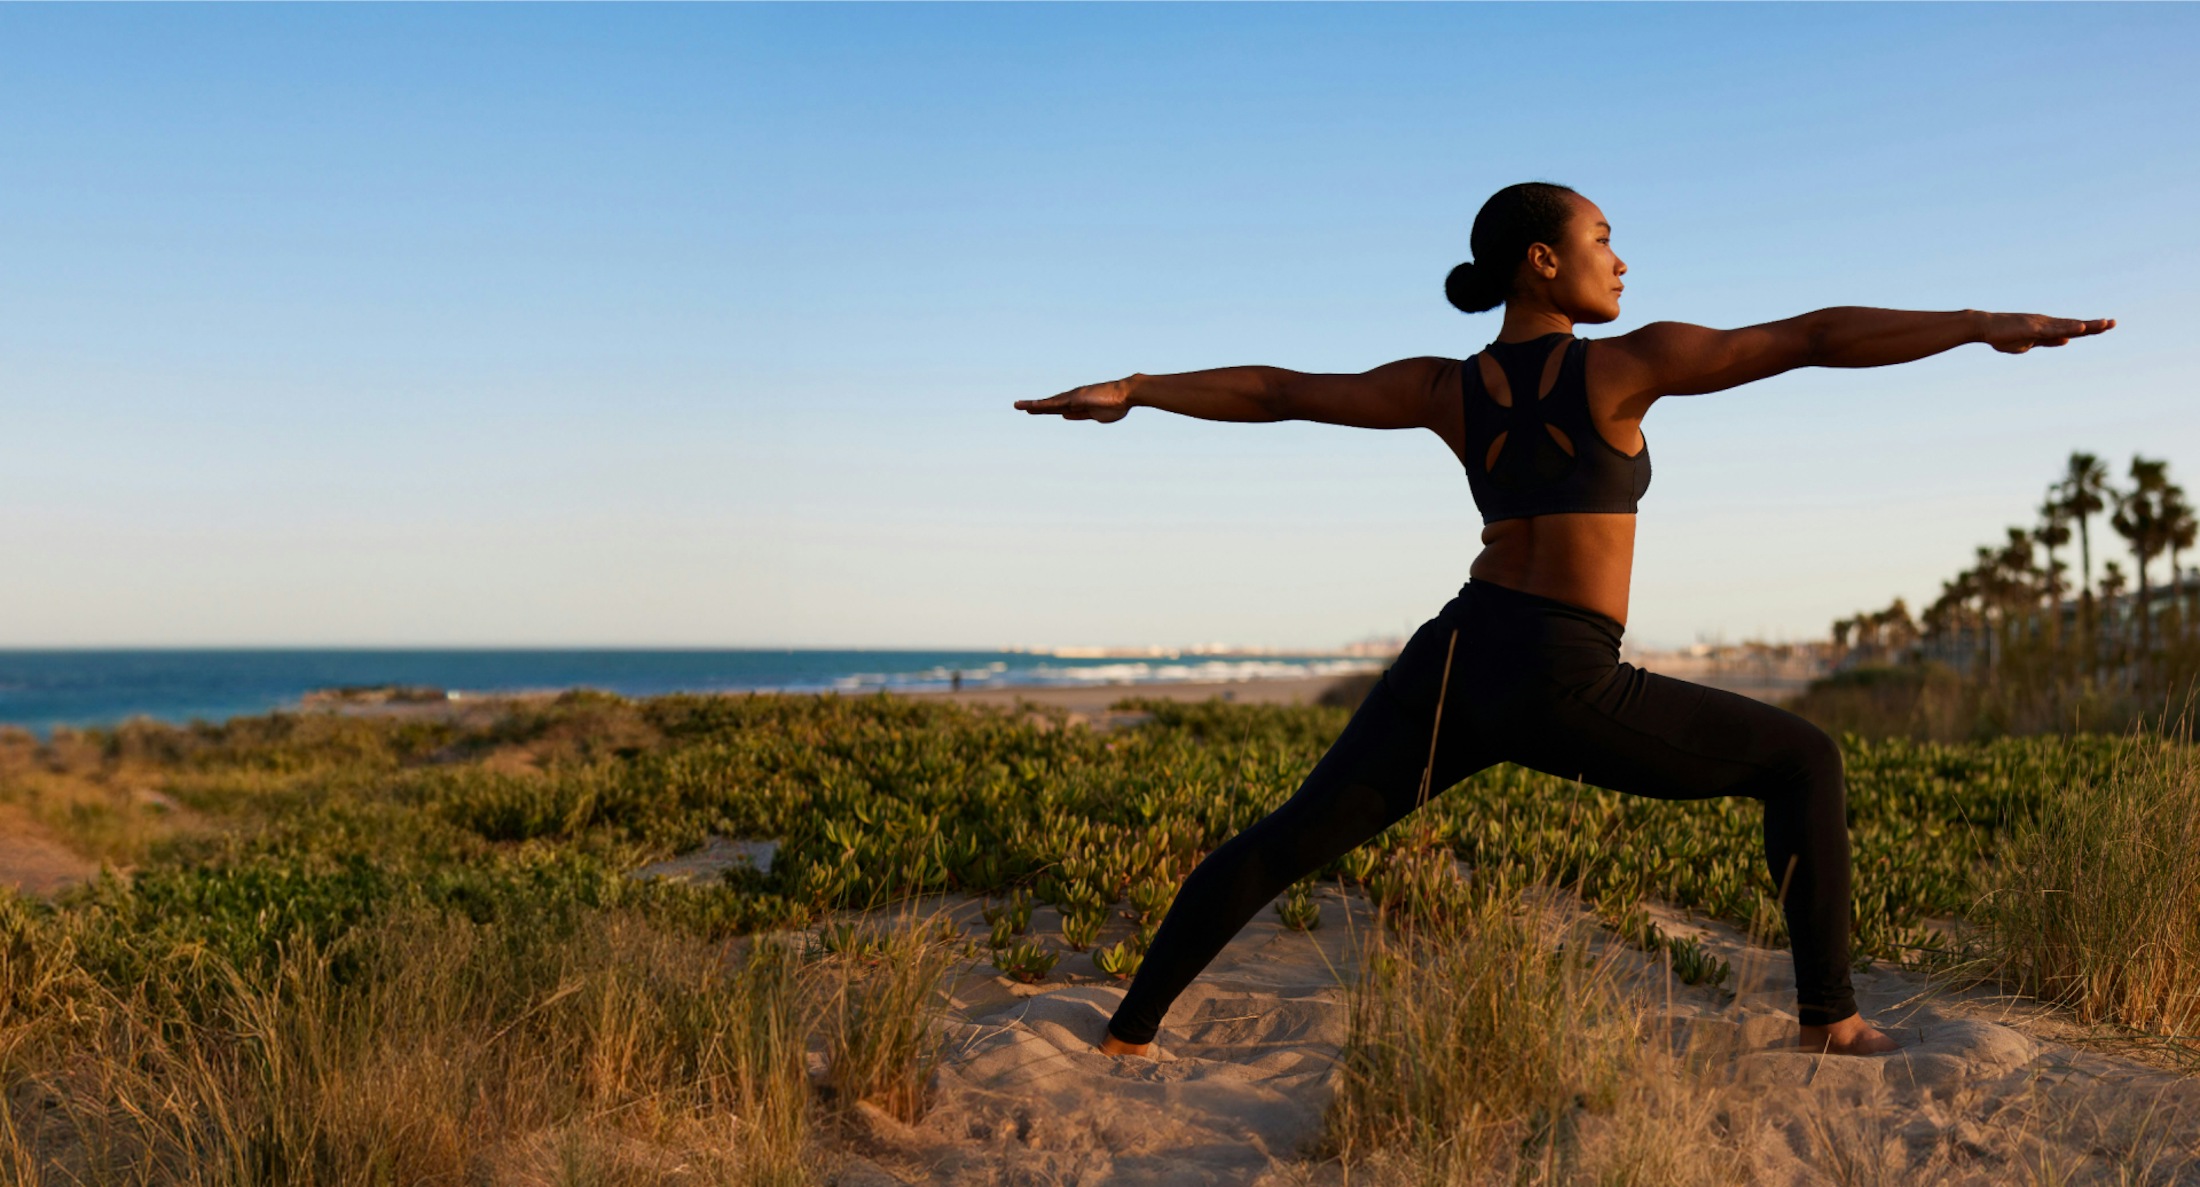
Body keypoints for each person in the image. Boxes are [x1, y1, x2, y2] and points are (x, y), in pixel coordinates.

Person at [1013, 182, 2113, 1058]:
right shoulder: (1625, 366)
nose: (1620, 258)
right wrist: (1977, 325)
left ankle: (1126, 1032)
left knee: (1287, 841)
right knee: (1804, 758)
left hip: (1455, 655)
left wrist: (1138, 385)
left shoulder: (1448, 386)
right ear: (1542, 259)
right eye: (1602, 235)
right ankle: (1830, 1019)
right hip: (1561, 674)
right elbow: (1812, 335)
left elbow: (1276, 389)